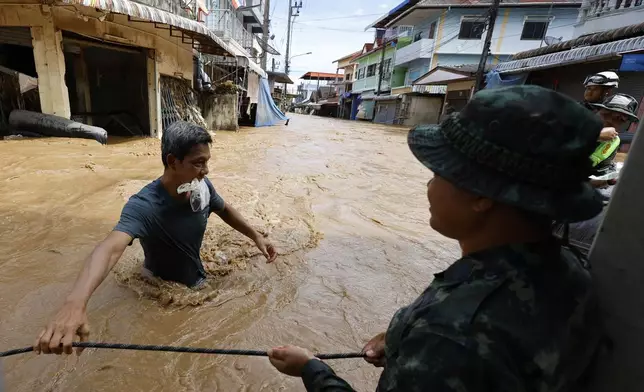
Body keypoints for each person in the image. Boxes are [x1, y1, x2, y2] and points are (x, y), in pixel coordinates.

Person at [267, 86, 605, 391]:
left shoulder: (451, 333)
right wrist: (404, 342)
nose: (429, 186)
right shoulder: (570, 269)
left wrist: (312, 370)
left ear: (480, 195)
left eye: (438, 173)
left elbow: (461, 345)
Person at [34, 121, 277, 355]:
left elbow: (224, 209)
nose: (206, 170)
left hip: (199, 282)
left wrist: (256, 236)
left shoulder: (202, 187)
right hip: (158, 293)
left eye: (207, 162)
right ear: (173, 161)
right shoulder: (144, 206)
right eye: (198, 163)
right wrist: (75, 303)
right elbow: (110, 248)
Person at [589, 93, 639, 187]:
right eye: (606, 114)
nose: (610, 121)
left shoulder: (613, 141)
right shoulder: (575, 125)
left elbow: (598, 175)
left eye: (620, 119)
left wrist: (609, 180)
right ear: (597, 112)